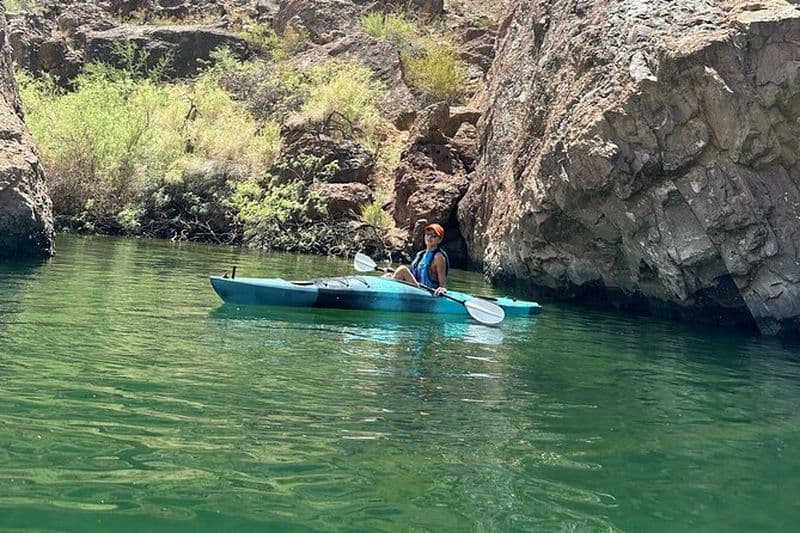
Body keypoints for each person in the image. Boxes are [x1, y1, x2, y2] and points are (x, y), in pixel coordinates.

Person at [388, 223, 449, 296]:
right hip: (417, 287)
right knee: (388, 275)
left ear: (440, 240)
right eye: (428, 234)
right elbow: (412, 273)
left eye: (434, 236)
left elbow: (443, 285)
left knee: (402, 270)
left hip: (427, 293)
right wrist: (394, 272)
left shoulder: (438, 257)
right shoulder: (420, 254)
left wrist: (442, 289)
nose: (429, 238)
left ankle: (383, 294)